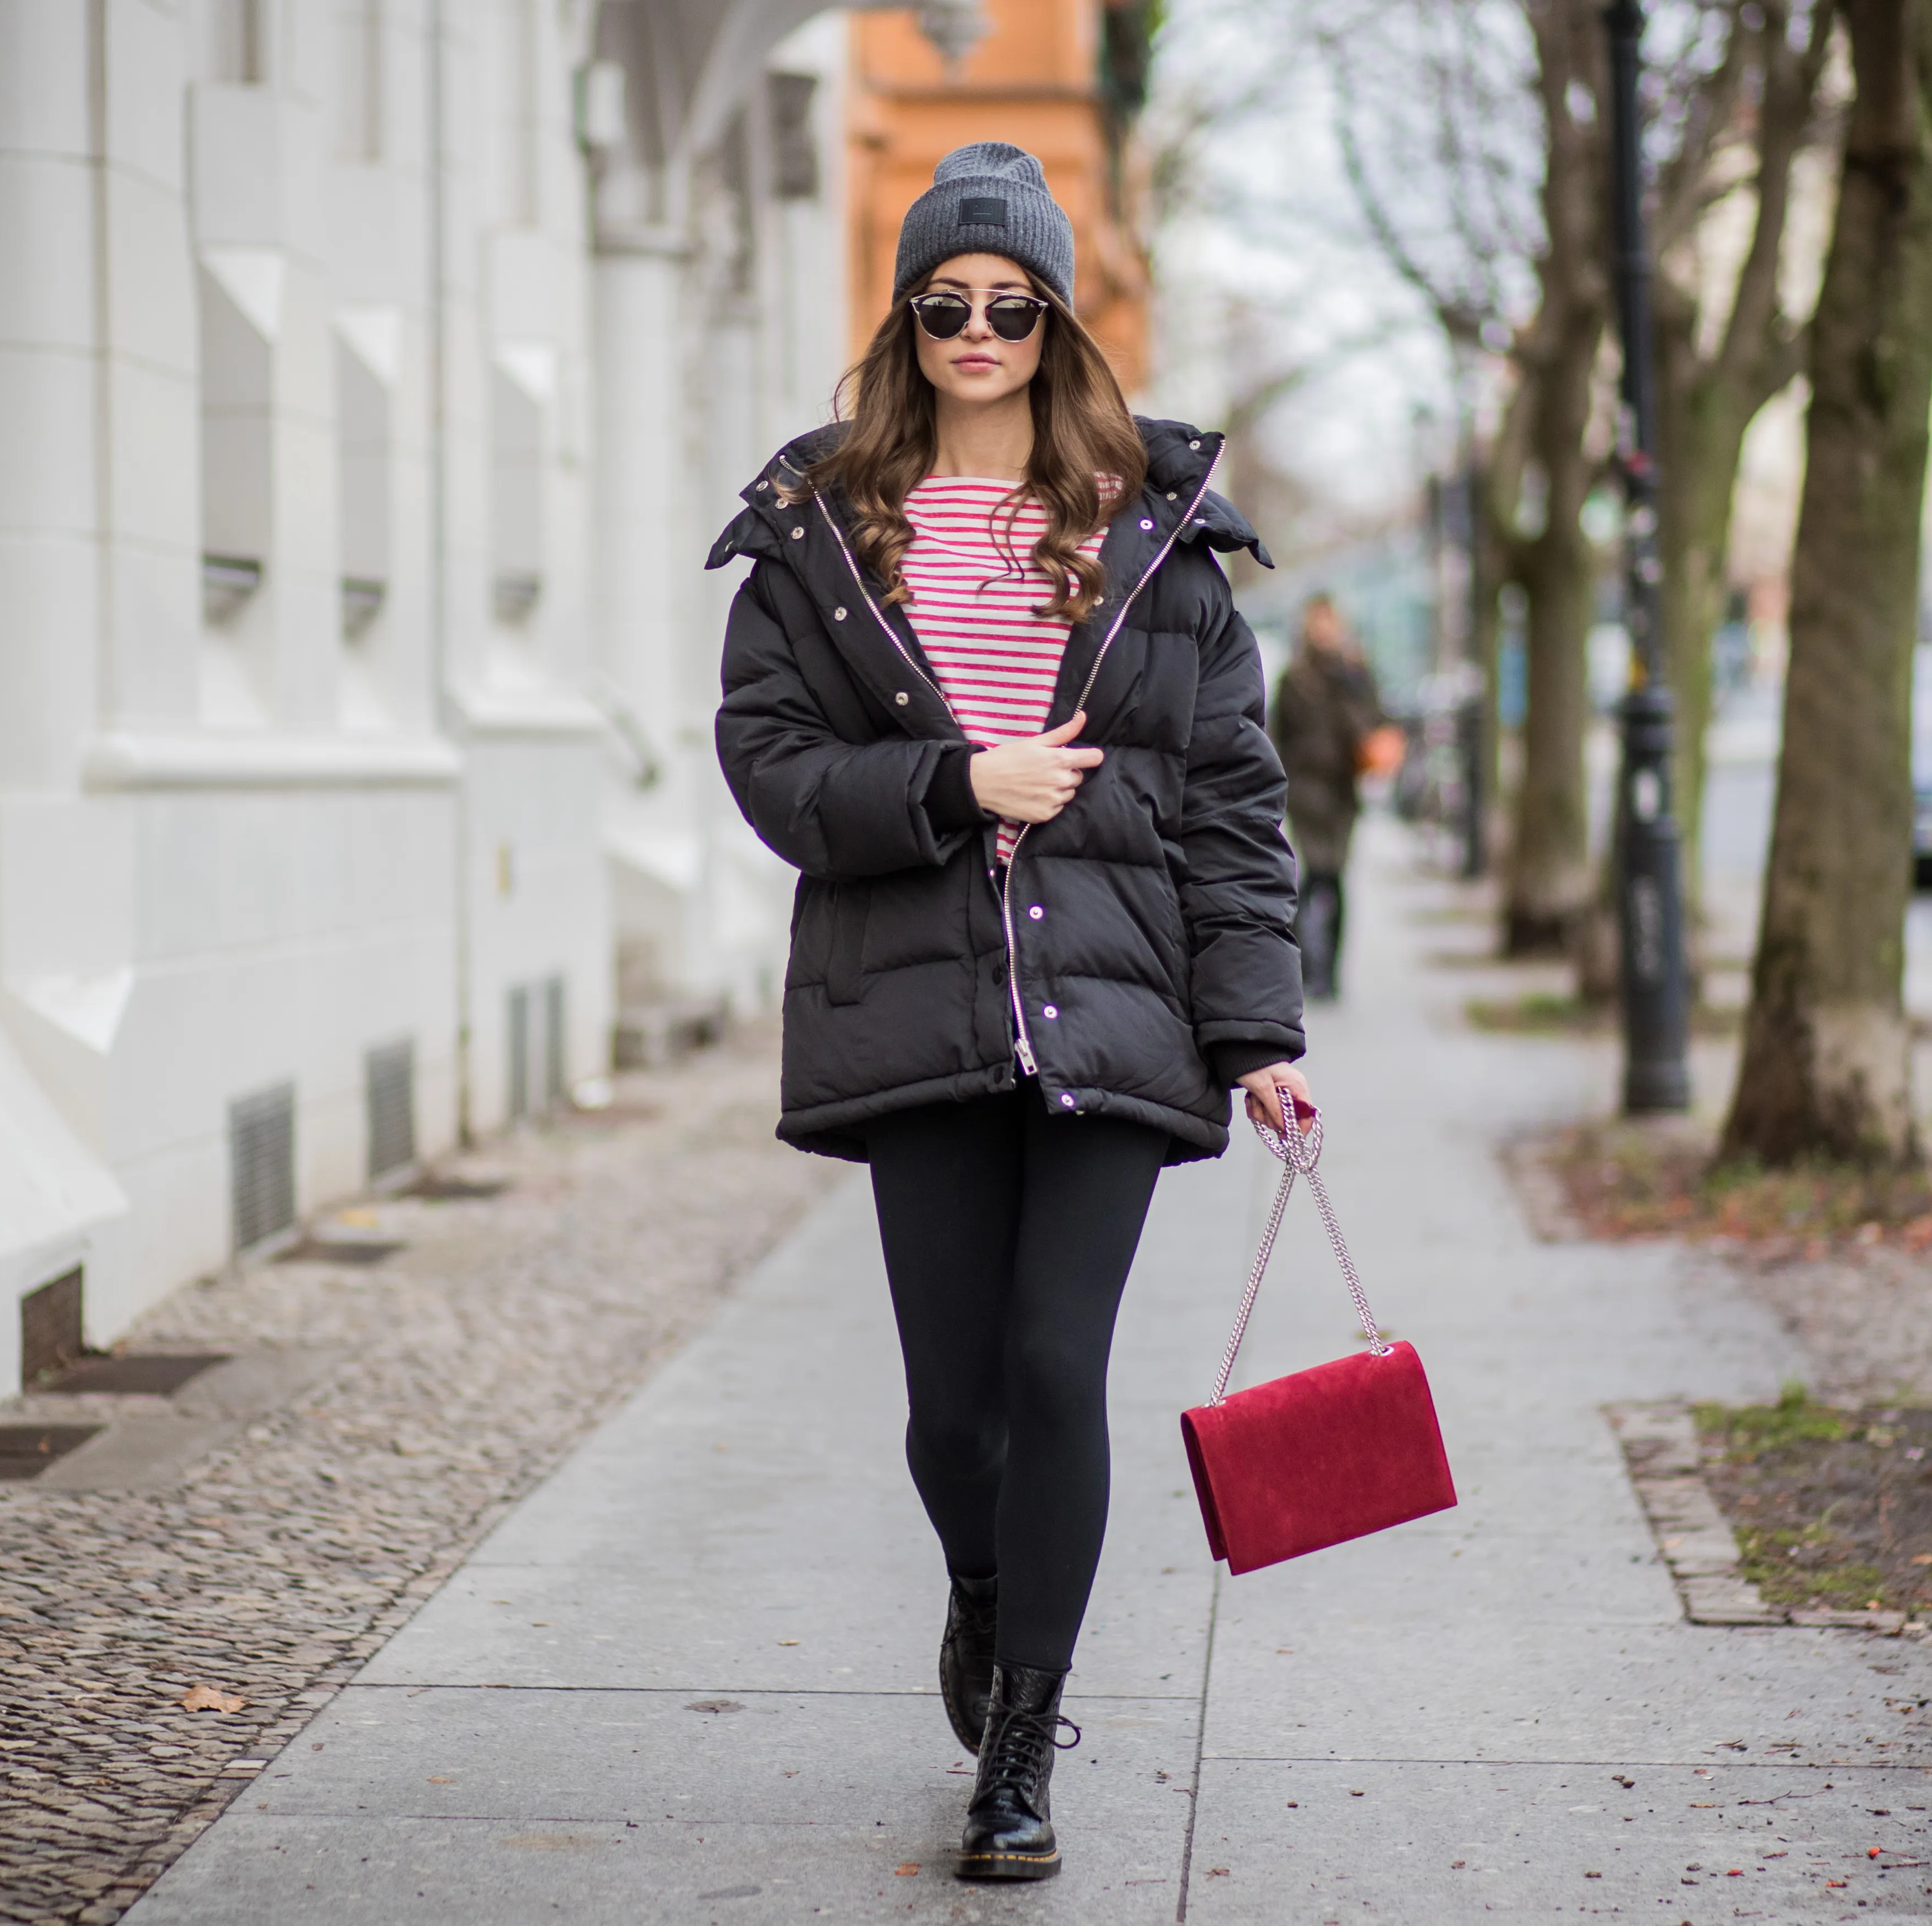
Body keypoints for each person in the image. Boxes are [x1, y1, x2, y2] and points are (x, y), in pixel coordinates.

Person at [709, 141, 1305, 1883]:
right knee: (948, 1406)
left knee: (1055, 1364)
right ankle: (980, 1585)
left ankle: (1022, 1741)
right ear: (906, 319)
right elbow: (772, 767)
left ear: (1056, 319)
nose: (977, 328)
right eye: (945, 302)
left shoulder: (1156, 535)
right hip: (912, 1008)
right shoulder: (820, 531)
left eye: (1012, 302)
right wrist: (961, 776)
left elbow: (1230, 807)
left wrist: (1255, 1029)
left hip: (1112, 1006)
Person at [1270, 594, 1387, 998]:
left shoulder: (1355, 675)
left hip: (1342, 791)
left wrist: (1348, 687)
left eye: (1329, 621)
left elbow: (1375, 725)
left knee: (1332, 876)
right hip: (1305, 790)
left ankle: (1331, 970)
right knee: (1314, 872)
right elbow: (1277, 736)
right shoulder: (1295, 678)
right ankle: (1305, 965)